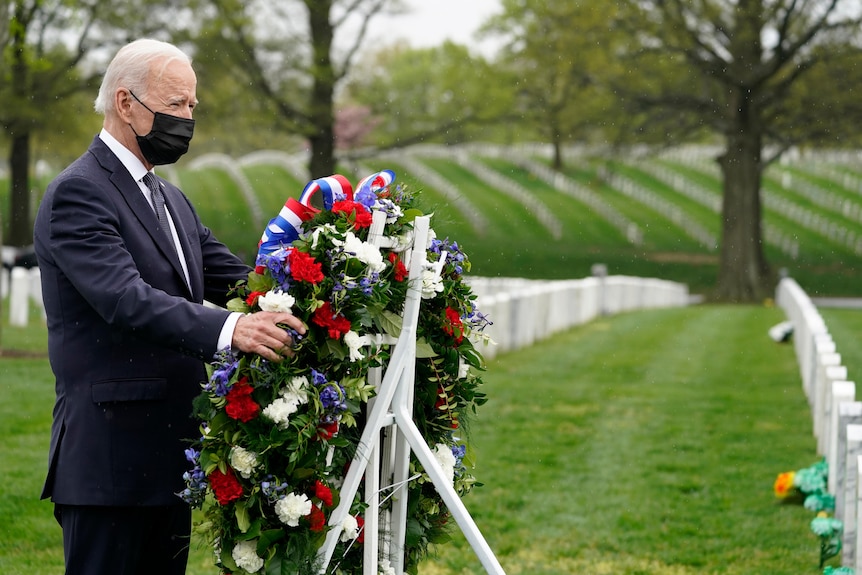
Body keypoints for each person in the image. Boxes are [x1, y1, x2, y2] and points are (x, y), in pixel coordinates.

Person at [33, 38, 305, 575]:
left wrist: (332, 277)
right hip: (109, 463)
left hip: (167, 460)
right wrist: (234, 330)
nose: (186, 119)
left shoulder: (171, 198)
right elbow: (124, 299)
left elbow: (240, 281)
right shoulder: (78, 193)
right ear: (126, 103)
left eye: (191, 107)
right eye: (175, 105)